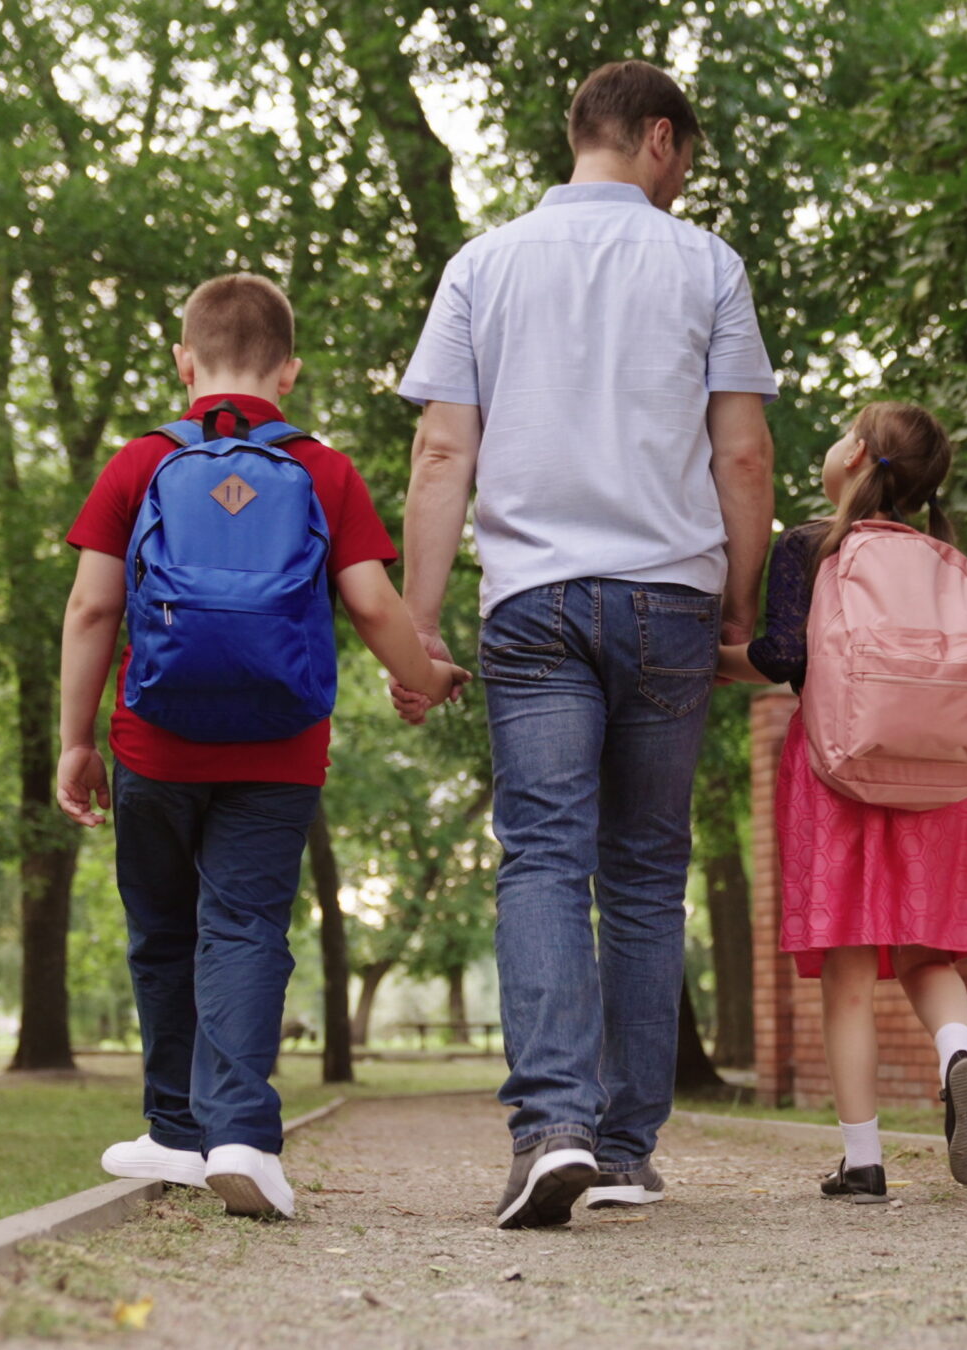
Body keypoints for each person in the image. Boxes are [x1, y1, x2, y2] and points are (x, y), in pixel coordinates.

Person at [392, 59, 779, 1228]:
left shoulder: (483, 266)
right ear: (660, 139)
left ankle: (549, 1129)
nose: (682, 184)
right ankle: (623, 1149)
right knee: (649, 875)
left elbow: (442, 457)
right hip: (667, 600)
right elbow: (745, 455)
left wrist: (416, 626)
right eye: (687, 162)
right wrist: (742, 610)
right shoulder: (707, 265)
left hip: (536, 607)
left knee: (545, 858)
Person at [56, 272, 468, 1219]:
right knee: (243, 928)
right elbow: (371, 603)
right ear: (289, 370)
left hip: (154, 742)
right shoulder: (323, 470)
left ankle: (171, 1130)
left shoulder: (139, 462)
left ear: (183, 361)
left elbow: (91, 608)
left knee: (163, 934)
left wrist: (78, 742)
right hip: (280, 750)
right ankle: (240, 1133)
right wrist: (424, 674)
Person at [717, 402, 967, 1202]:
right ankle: (956, 1055)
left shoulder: (811, 544)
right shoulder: (943, 558)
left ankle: (865, 1161)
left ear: (860, 459)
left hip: (835, 774)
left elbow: (782, 655)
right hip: (938, 781)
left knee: (846, 970)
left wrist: (710, 659)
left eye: (846, 432)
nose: (835, 444)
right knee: (926, 951)